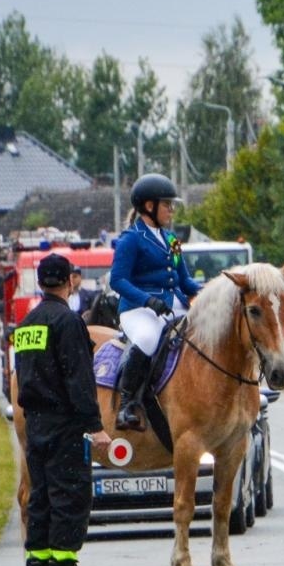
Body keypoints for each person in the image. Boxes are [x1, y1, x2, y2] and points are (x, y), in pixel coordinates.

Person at [13, 252, 110, 566]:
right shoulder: (69, 322)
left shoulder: (26, 325)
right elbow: (79, 380)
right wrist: (95, 428)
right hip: (65, 427)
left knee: (41, 501)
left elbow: (23, 376)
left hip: (35, 424)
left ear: (40, 283)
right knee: (70, 501)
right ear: (70, 281)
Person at [108, 174, 202, 432]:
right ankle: (128, 405)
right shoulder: (131, 239)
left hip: (173, 304)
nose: (172, 210)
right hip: (138, 309)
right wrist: (147, 300)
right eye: (167, 204)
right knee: (148, 338)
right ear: (149, 206)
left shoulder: (171, 239)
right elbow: (117, 280)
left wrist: (211, 290)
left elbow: (184, 280)